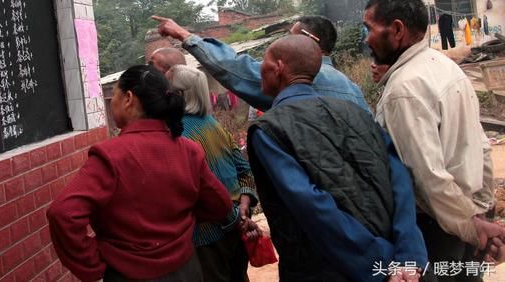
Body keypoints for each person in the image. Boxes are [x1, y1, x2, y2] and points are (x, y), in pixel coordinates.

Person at [248, 35, 428, 282]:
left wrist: (380, 263)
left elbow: (311, 205)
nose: (260, 69)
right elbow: (399, 179)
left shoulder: (268, 130)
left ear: (278, 67)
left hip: (324, 269)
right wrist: (408, 255)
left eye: (263, 62)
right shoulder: (357, 112)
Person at [363, 0, 505, 277]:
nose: (367, 39)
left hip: (437, 227)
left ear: (397, 30)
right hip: (466, 215)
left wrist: (472, 226)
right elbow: (481, 147)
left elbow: (426, 177)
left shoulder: (404, 89)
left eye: (369, 28)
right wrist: (481, 211)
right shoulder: (445, 67)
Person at [47, 65, 233, 282]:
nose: (112, 102)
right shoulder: (188, 149)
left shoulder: (110, 156)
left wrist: (92, 268)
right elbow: (220, 203)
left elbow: (62, 213)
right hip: (187, 269)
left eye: (114, 94)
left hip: (128, 273)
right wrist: (181, 222)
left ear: (128, 98)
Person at [152, 15, 369, 113]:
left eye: (289, 37)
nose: (283, 42)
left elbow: (235, 68)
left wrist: (183, 34)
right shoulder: (352, 88)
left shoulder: (293, 78)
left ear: (309, 40)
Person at [167, 64, 260, 282]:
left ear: (179, 95)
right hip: (238, 226)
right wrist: (243, 209)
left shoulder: (176, 135)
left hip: (206, 235)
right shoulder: (214, 126)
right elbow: (245, 171)